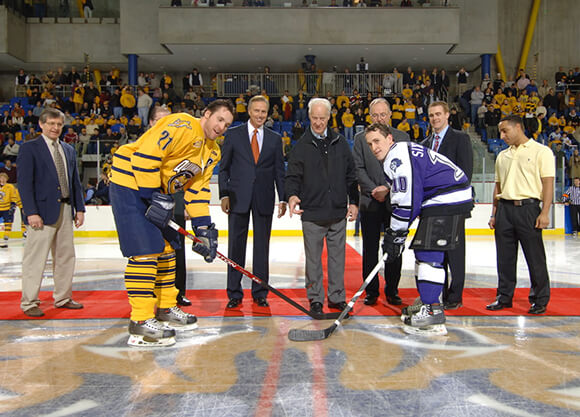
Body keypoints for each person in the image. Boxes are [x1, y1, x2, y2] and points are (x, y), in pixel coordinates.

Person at [109, 99, 234, 347]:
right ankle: (141, 322)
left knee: (168, 250)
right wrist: (151, 195)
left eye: (227, 124)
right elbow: (146, 156)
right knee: (145, 252)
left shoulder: (212, 152)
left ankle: (165, 307)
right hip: (130, 186)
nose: (222, 127)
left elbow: (197, 191)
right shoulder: (182, 124)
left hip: (157, 194)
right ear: (206, 114)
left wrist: (203, 228)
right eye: (219, 119)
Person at [365, 123, 473, 335]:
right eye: (369, 144)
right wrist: (397, 234)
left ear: (389, 139)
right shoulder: (401, 152)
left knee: (428, 253)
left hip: (446, 198)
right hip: (444, 198)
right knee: (425, 252)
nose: (374, 147)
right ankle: (428, 303)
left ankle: (432, 312)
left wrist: (395, 234)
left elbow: (407, 200)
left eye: (377, 141)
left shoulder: (397, 157)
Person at [286, 98, 359, 314]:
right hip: (312, 213)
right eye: (314, 118)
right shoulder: (300, 146)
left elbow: (351, 176)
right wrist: (291, 196)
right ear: (309, 117)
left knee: (338, 260)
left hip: (337, 212)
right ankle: (315, 299)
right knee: (313, 262)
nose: (318, 122)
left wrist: (353, 201)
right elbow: (292, 177)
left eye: (322, 118)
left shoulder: (340, 142)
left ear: (329, 117)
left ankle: (336, 298)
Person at [218, 95, 286, 308]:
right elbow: (224, 168)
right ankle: (234, 294)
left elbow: (279, 172)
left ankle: (259, 292)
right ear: (249, 111)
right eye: (256, 111)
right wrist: (224, 194)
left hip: (264, 198)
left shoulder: (275, 139)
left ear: (268, 114)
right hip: (238, 198)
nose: (260, 115)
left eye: (263, 112)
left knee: (261, 248)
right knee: (235, 247)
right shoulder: (233, 135)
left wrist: (282, 197)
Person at [17, 108, 86, 317]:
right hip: (40, 212)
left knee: (66, 256)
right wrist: (31, 212)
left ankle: (63, 297)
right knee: (35, 258)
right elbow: (24, 184)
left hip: (66, 209)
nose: (55, 128)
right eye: (51, 124)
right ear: (41, 124)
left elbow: (75, 181)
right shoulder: (30, 149)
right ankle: (29, 302)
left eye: (59, 124)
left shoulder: (68, 149)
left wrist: (80, 208)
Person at [486, 115, 554, 315]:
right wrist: (494, 213)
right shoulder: (502, 156)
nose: (502, 135)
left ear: (518, 127)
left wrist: (545, 212)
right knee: (504, 258)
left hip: (529, 209)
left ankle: (539, 299)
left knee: (535, 257)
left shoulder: (542, 152)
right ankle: (504, 297)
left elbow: (548, 183)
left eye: (505, 130)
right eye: (500, 131)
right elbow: (498, 186)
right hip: (505, 210)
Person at [352, 98, 410, 307]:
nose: (379, 118)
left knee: (395, 246)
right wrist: (374, 190)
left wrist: (388, 189)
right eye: (375, 115)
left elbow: (407, 170)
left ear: (390, 114)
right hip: (370, 201)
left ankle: (392, 290)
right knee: (369, 249)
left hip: (395, 202)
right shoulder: (360, 139)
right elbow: (358, 168)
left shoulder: (403, 137)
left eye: (383, 114)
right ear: (369, 116)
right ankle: (371, 291)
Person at [421, 101, 473, 310]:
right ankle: (439, 293)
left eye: (438, 114)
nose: (435, 118)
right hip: (432, 207)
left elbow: (465, 173)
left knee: (455, 252)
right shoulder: (424, 144)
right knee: (437, 252)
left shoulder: (460, 139)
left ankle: (455, 296)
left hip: (454, 205)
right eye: (431, 115)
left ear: (447, 115)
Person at [0, 172, 21, 248]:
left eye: (4, 178)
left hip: (7, 207)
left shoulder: (10, 186)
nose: (2, 179)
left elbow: (13, 196)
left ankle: (6, 236)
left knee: (8, 222)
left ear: (7, 179)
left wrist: (13, 205)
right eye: (1, 177)